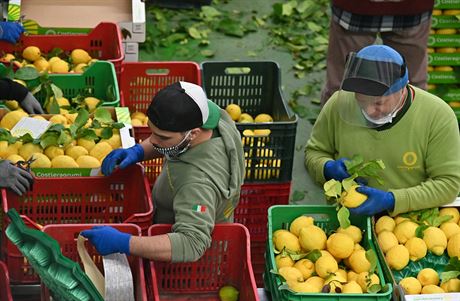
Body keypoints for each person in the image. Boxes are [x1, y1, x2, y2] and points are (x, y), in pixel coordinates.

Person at [81, 81, 245, 262]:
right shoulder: (210, 115)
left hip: (188, 267)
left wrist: (125, 243)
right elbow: (174, 140)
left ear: (194, 133)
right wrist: (139, 151)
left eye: (162, 137)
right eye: (152, 131)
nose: (153, 140)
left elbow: (192, 244)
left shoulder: (197, 184)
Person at [305, 44, 460, 217]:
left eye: (378, 102)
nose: (369, 111)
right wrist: (326, 168)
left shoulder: (437, 116)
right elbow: (314, 152)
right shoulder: (338, 104)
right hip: (347, 223)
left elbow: (449, 184)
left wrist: (392, 200)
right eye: (361, 101)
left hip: (407, 226)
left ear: (402, 89)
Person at [320, 0, 434, 106]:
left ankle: (334, 124)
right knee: (411, 85)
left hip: (357, 7)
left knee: (343, 84)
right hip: (410, 7)